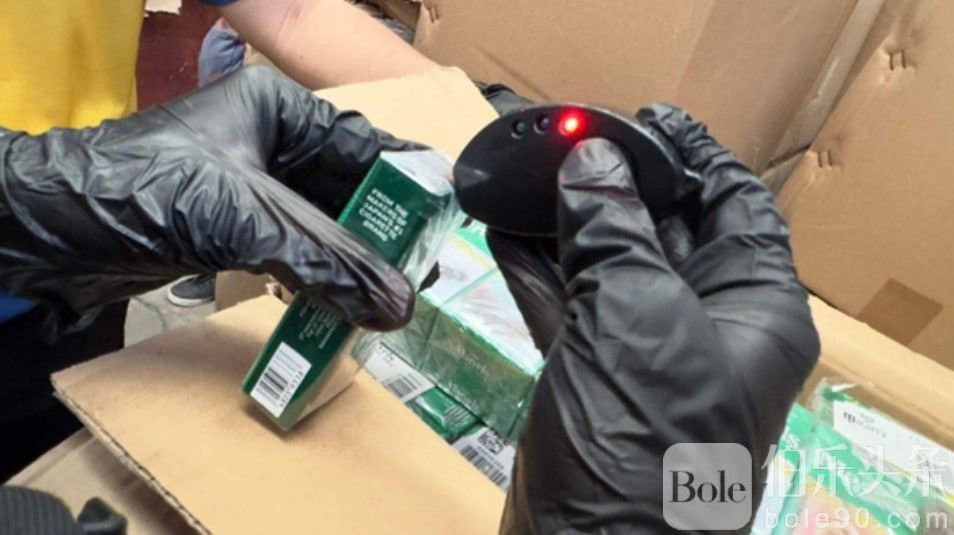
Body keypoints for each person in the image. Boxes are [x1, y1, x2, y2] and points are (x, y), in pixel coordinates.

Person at [0, 0, 435, 481]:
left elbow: (293, 13)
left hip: (96, 263)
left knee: (56, 472)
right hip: (88, 210)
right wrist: (35, 186)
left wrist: (463, 108)